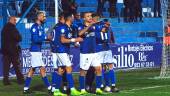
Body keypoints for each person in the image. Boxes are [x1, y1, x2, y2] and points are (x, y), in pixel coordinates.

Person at [52, 13, 83, 96]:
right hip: (61, 50)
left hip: (64, 50)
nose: (74, 18)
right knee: (69, 68)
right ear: (69, 18)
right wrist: (75, 39)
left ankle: (56, 90)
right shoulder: (63, 27)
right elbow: (62, 40)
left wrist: (75, 42)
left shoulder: (69, 28)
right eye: (73, 17)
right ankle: (72, 89)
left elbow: (68, 40)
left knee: (61, 70)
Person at [23, 11, 51, 94]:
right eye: (43, 16)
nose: (44, 18)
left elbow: (40, 38)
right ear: (38, 17)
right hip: (35, 51)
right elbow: (35, 40)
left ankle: (26, 88)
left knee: (33, 69)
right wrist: (46, 37)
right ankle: (49, 88)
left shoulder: (40, 27)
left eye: (45, 16)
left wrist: (45, 37)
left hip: (37, 50)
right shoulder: (34, 27)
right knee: (42, 68)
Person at [78, 12, 103, 95]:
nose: (90, 17)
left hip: (94, 52)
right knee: (83, 72)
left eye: (90, 16)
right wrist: (89, 25)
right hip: (85, 53)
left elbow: (102, 30)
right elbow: (80, 33)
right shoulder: (80, 26)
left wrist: (106, 26)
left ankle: (98, 89)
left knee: (99, 69)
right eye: (88, 16)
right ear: (84, 18)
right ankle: (82, 90)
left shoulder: (94, 26)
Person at [94, 17, 119, 92]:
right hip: (104, 48)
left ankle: (104, 86)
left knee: (103, 67)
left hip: (101, 49)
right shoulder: (102, 25)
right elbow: (108, 30)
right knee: (107, 67)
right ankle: (110, 86)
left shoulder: (95, 26)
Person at [1, 16, 24, 85]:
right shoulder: (13, 28)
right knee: (16, 66)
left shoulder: (4, 28)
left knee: (6, 66)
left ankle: (6, 81)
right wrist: (20, 36)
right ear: (10, 20)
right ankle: (20, 80)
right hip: (13, 50)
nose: (15, 21)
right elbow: (18, 38)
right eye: (14, 20)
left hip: (5, 50)